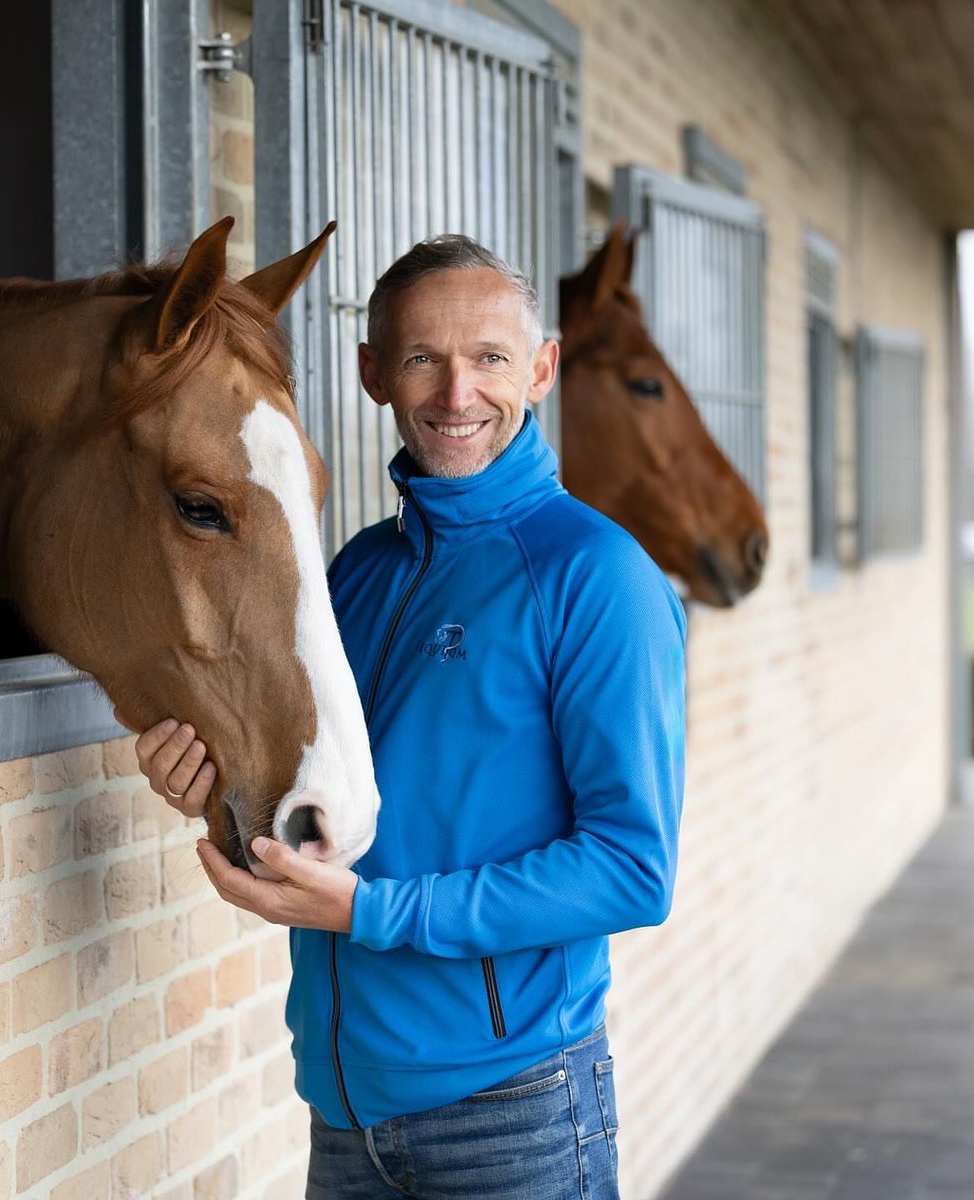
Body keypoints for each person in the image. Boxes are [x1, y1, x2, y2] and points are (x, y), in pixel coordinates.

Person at [129, 236, 687, 1199]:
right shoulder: (353, 571)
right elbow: (319, 803)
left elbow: (633, 871)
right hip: (345, 1112)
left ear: (542, 370)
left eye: (491, 359)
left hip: (511, 1113)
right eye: (424, 358)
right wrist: (211, 792)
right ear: (373, 372)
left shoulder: (596, 577)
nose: (456, 393)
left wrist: (374, 914)